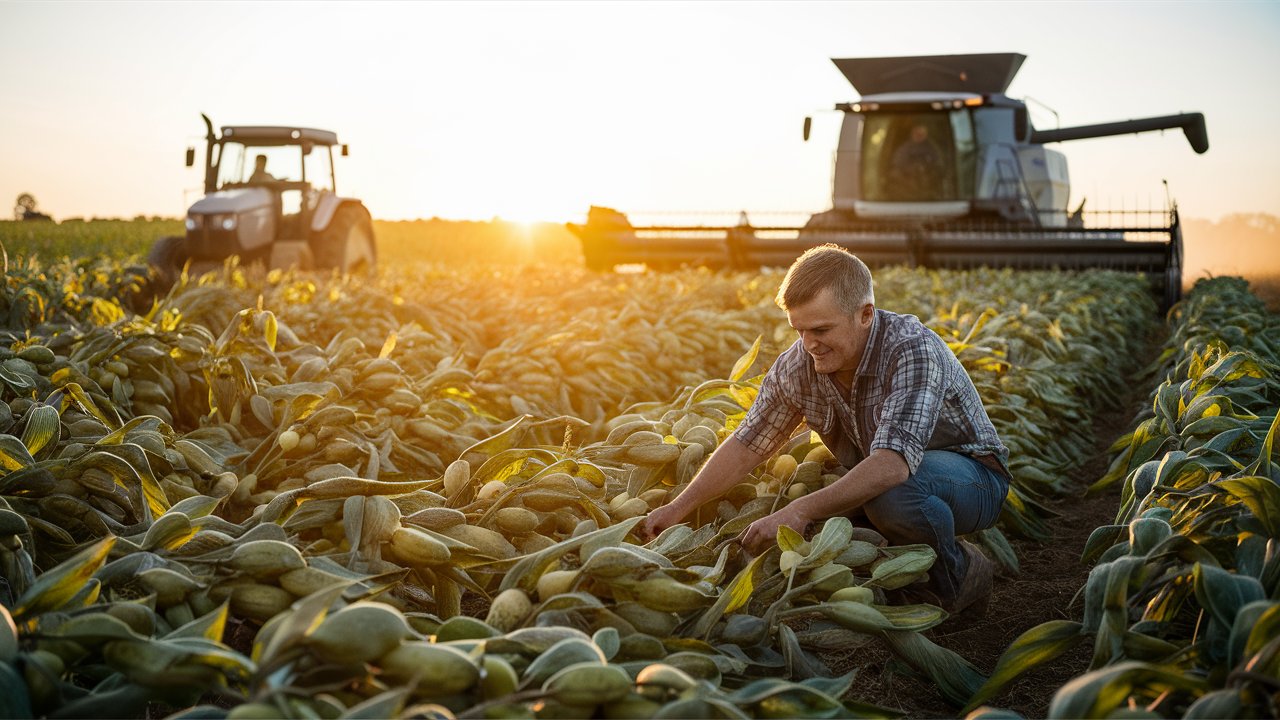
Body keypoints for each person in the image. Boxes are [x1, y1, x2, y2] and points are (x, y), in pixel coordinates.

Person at [642, 244, 1010, 615]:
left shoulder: (911, 350)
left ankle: (959, 577)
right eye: (799, 330)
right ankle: (908, 562)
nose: (808, 344)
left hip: (973, 480)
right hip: (889, 474)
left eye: (820, 329)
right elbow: (748, 443)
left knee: (890, 493)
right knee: (831, 503)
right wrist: (679, 506)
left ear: (865, 314)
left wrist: (801, 510)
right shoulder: (800, 364)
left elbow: (892, 465)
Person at [888, 124, 944, 201]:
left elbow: (939, 166)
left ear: (926, 134)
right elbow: (896, 168)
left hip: (929, 187)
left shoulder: (932, 149)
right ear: (912, 134)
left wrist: (929, 174)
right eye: (917, 133)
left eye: (921, 134)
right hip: (906, 187)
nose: (919, 136)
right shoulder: (904, 149)